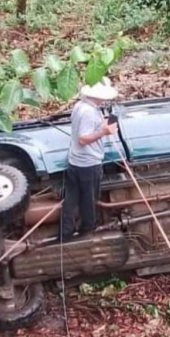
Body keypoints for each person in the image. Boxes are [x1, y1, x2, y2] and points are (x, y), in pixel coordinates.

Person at [60, 77, 118, 241]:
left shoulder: (80, 106)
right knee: (89, 201)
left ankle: (65, 232)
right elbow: (83, 139)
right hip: (89, 164)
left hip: (75, 161)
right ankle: (87, 231)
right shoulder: (89, 113)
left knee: (70, 200)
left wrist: (102, 125)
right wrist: (104, 132)